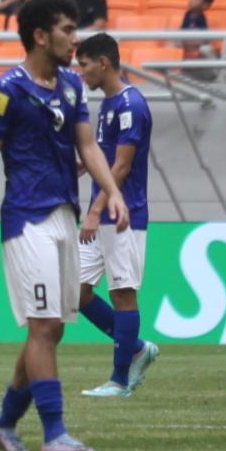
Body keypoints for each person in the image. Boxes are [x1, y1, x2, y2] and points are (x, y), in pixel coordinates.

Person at [0, 0, 131, 451]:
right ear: (39, 35)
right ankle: (55, 434)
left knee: (50, 330)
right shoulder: (7, 90)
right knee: (45, 324)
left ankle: (6, 424)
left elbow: (88, 146)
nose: (75, 39)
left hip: (64, 217)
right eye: (68, 30)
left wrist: (111, 190)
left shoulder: (72, 85)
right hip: (25, 218)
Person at [74, 34, 160, 398]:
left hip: (124, 214)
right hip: (102, 209)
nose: (81, 73)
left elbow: (122, 167)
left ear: (104, 63)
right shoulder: (109, 104)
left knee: (123, 293)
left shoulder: (131, 105)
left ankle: (120, 380)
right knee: (74, 292)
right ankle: (137, 347)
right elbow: (106, 157)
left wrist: (94, 211)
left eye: (85, 65)